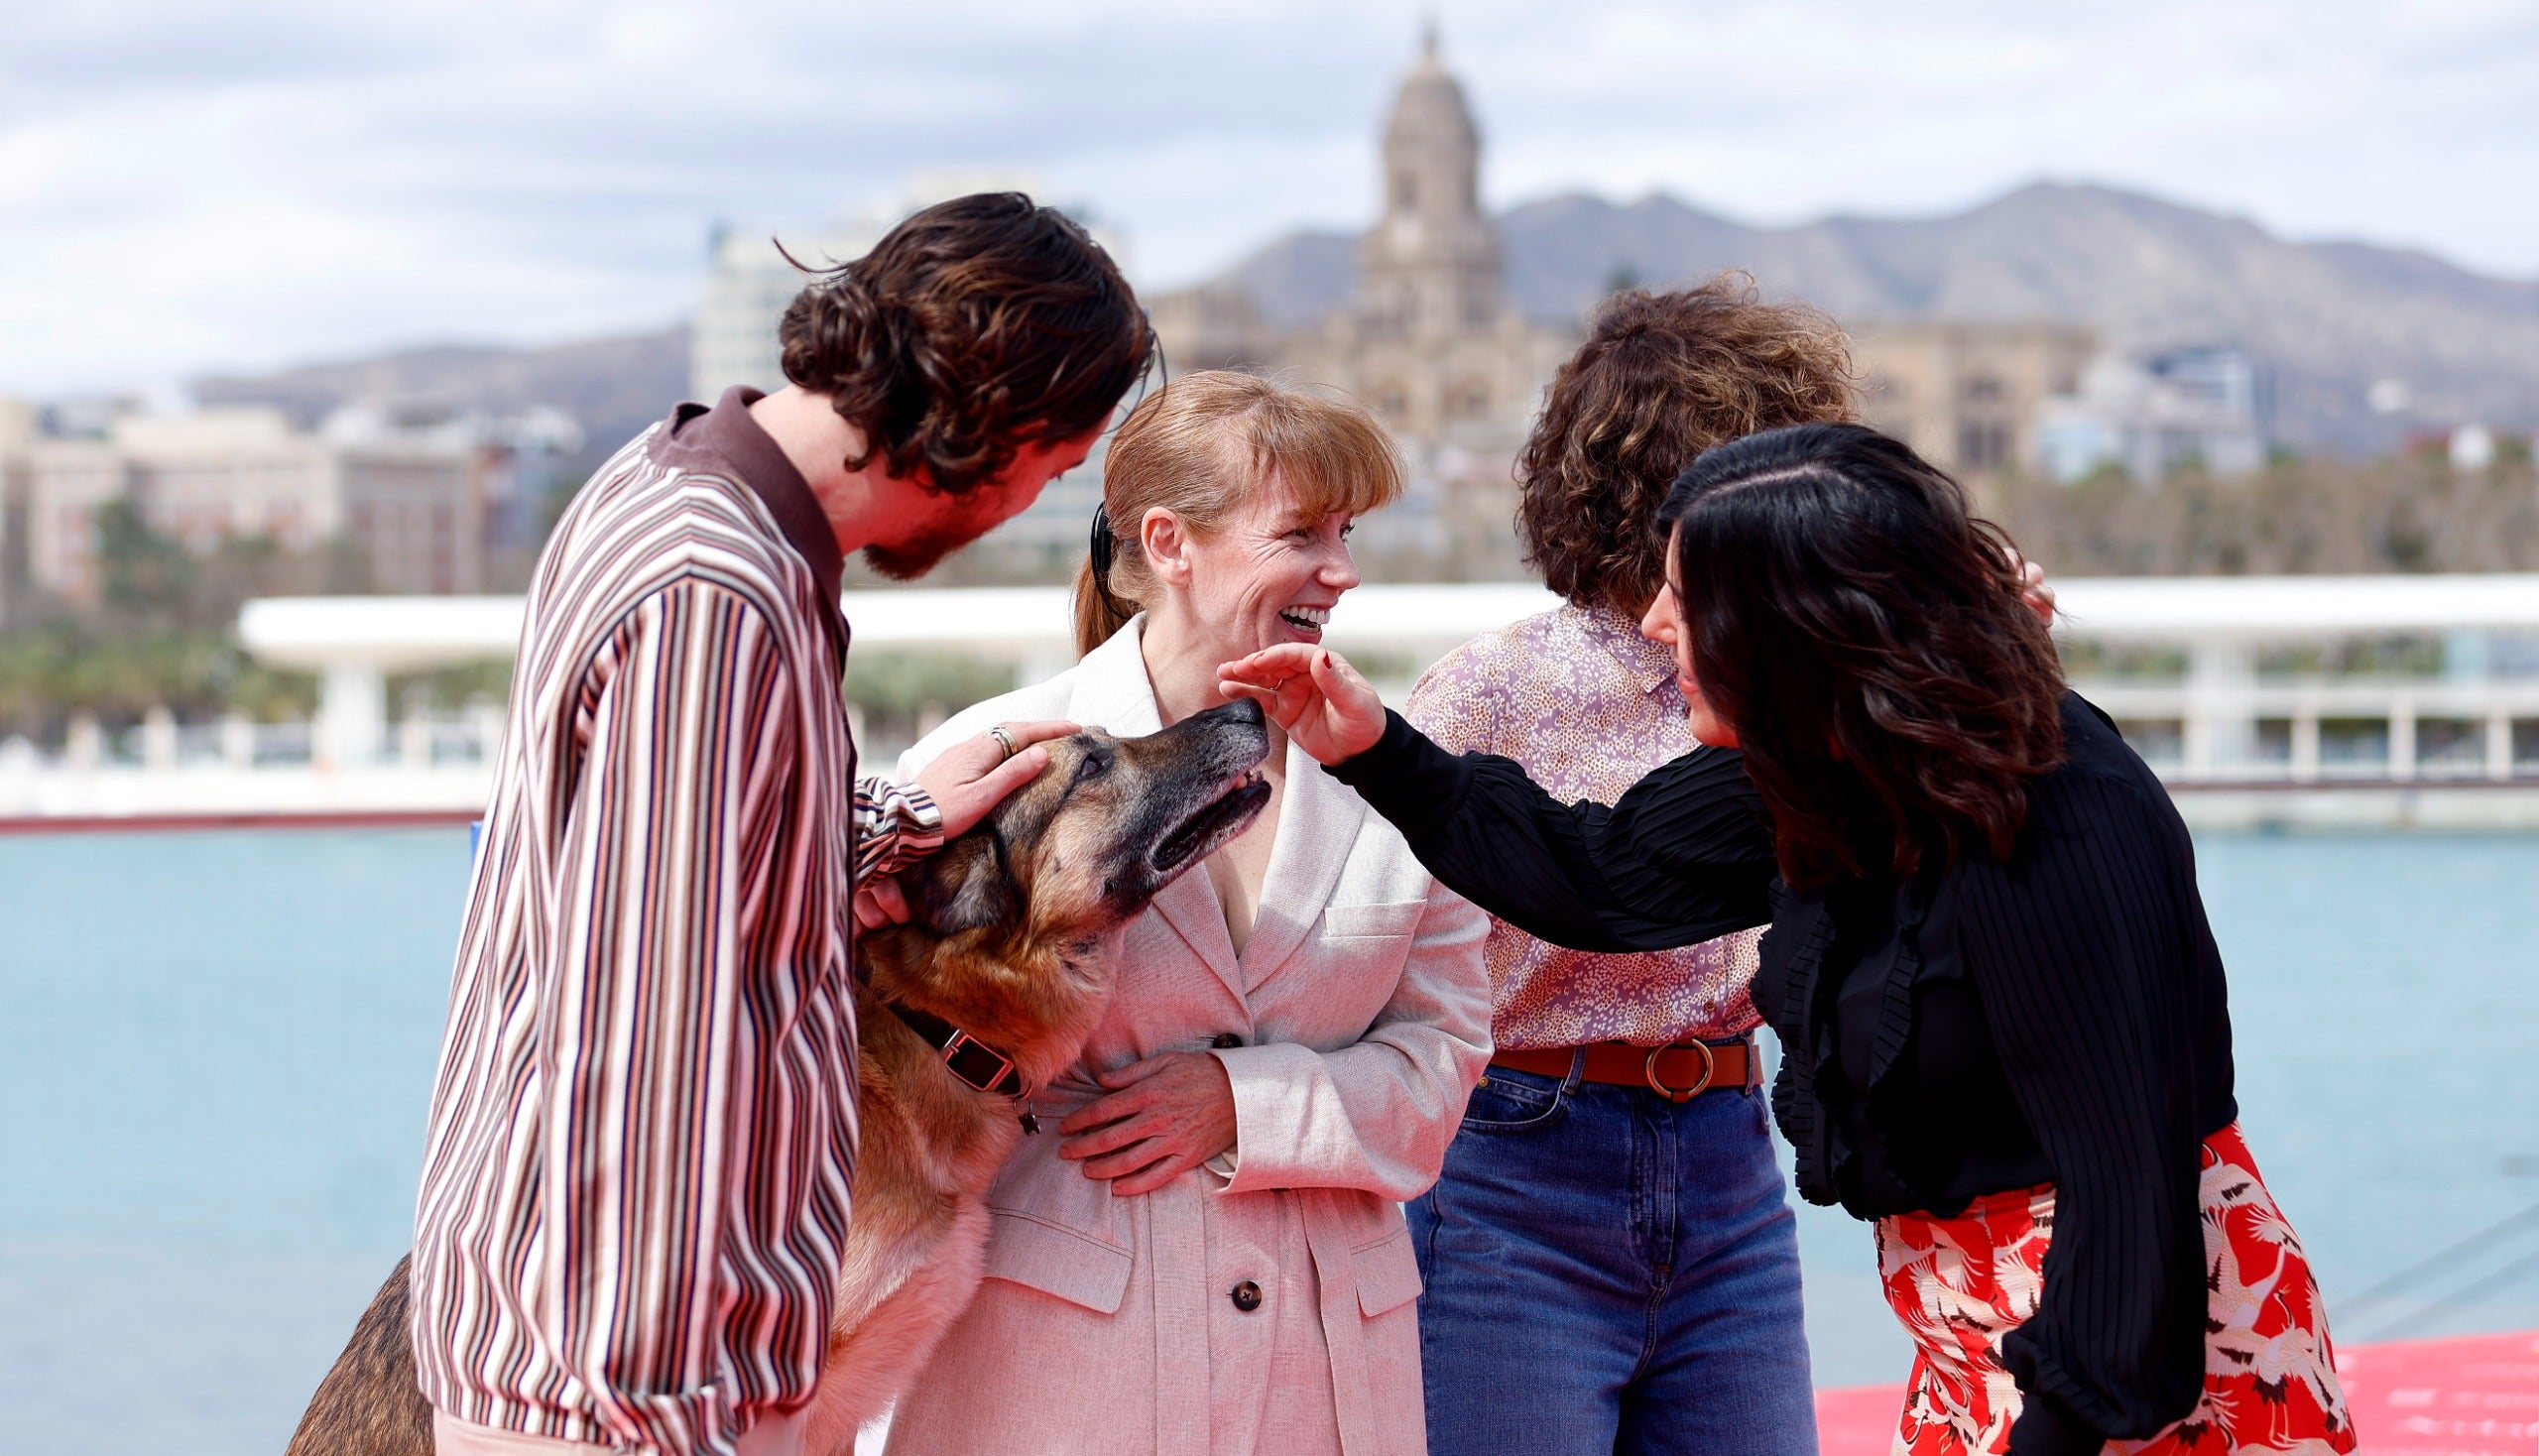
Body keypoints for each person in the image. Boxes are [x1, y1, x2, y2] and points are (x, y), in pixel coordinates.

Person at [1221, 424, 2356, 1456]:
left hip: (2135, 1360)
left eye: (1681, 596)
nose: (1656, 624)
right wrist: (1372, 745)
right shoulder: (1832, 766)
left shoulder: (2057, 805)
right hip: (1984, 1345)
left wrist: (2054, 1426)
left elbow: (2127, 1198)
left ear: (1795, 623)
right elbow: (1602, 874)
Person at [410, 193, 1151, 1456]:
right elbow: (654, 1030)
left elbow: (657, 868)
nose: (1031, 500)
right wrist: (678, 1407)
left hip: (578, 1343)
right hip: (628, 1386)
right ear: (1002, 419)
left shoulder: (664, 481)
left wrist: (900, 820)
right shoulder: (721, 591)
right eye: (1055, 467)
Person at [874, 371, 1492, 1456]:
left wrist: (1244, 1102)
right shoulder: (1000, 758)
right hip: (1058, 1368)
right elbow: (877, 1057)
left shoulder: (1401, 775)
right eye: (1300, 533)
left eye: (1346, 532)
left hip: (1329, 1377)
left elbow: (1446, 1066)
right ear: (1169, 541)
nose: (1340, 572)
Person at [1399, 279, 1856, 1456]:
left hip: (1728, 1152)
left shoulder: (1803, 693)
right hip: (1514, 1165)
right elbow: (1381, 960)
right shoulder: (1485, 691)